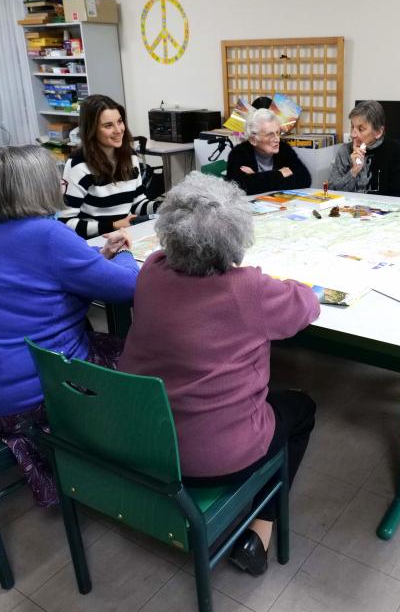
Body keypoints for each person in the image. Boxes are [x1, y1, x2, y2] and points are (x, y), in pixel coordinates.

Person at [118, 173, 319, 576]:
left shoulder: (152, 270)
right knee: (302, 407)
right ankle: (261, 531)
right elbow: (307, 305)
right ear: (237, 238)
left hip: (145, 437)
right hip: (216, 456)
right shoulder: (250, 290)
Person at [0, 145, 139, 506]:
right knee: (144, 361)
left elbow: (42, 269)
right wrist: (123, 253)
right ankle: (129, 455)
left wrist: (97, 257)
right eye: (53, 178)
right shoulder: (45, 235)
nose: (60, 183)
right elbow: (128, 288)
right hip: (20, 402)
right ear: (33, 188)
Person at [60, 94, 164, 238]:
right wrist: (112, 226)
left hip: (123, 236)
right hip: (94, 244)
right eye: (108, 125)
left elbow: (137, 204)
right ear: (91, 130)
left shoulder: (130, 157)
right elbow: (65, 222)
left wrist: (164, 207)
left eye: (120, 122)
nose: (118, 130)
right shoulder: (78, 165)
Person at [328, 100, 400, 197]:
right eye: (352, 127)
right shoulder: (345, 151)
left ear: (378, 132)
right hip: (347, 209)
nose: (353, 134)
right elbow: (331, 192)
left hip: (380, 210)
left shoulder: (397, 152)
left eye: (360, 129)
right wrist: (354, 171)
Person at [226, 108, 311, 195]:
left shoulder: (284, 148)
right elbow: (242, 187)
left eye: (278, 133)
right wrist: (280, 173)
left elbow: (305, 179)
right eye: (270, 135)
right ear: (253, 140)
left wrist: (257, 177)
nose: (277, 139)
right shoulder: (239, 153)